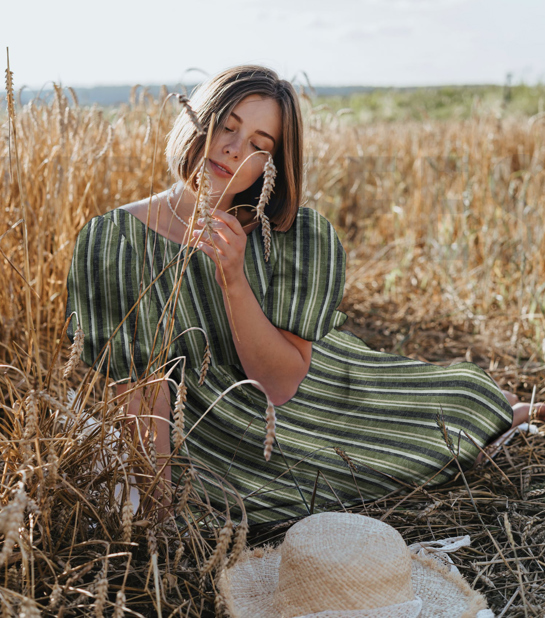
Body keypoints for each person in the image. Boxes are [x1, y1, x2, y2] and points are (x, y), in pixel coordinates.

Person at [65, 64, 535, 525]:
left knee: (466, 400)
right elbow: (141, 394)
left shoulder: (291, 234)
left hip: (318, 393)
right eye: (226, 127)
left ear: (271, 165)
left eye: (258, 146)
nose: (232, 150)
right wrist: (156, 507)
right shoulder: (115, 242)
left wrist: (233, 276)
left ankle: (498, 406)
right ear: (198, 121)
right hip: (217, 442)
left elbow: (281, 383)